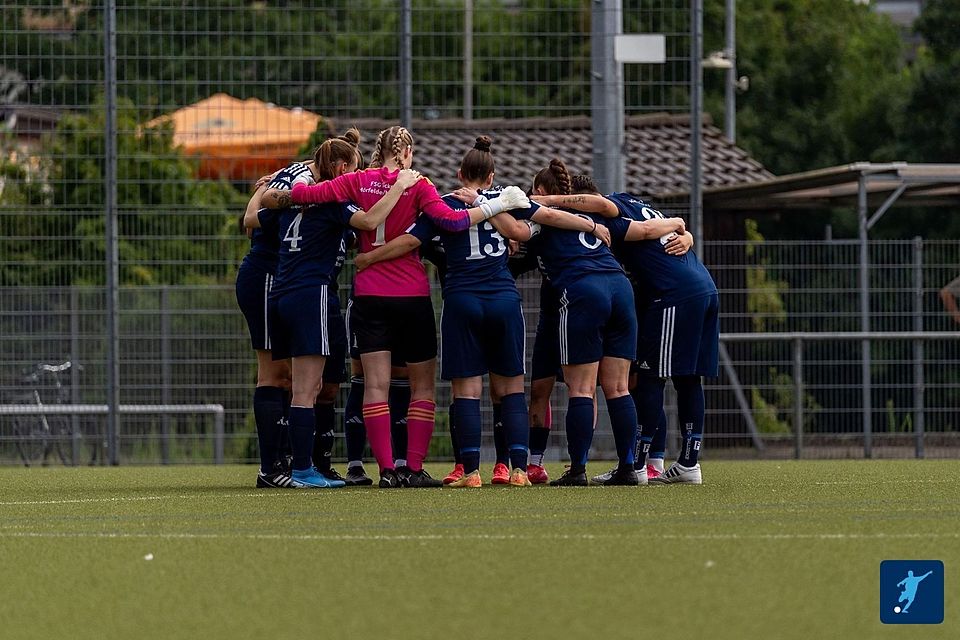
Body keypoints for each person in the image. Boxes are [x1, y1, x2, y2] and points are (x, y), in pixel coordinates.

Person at [263, 125, 529, 488]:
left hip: (369, 295)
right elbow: (451, 221)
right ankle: (413, 468)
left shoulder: (356, 180)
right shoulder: (419, 184)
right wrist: (497, 205)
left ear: (380, 149)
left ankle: (386, 470)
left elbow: (307, 194)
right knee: (421, 387)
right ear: (406, 154)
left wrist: (277, 189)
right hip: (411, 295)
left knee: (375, 385)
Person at [358, 138, 608, 487]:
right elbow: (549, 216)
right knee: (511, 389)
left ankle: (471, 472)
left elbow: (411, 241)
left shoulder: (443, 204)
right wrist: (592, 226)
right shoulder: (509, 199)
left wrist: (371, 257)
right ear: (492, 177)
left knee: (468, 391)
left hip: (462, 300)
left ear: (459, 174)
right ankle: (519, 469)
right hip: (503, 299)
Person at [482, 158, 679, 486]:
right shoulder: (592, 212)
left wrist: (487, 205)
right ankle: (629, 467)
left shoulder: (540, 214)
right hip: (620, 289)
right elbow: (641, 229)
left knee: (581, 388)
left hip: (584, 290)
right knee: (618, 388)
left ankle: (578, 469)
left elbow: (516, 228)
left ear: (541, 191)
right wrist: (679, 225)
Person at [250, 128, 420, 488]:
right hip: (312, 293)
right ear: (341, 169)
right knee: (306, 389)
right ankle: (301, 470)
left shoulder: (292, 201)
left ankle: (297, 466)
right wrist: (400, 186)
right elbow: (371, 221)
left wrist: (270, 190)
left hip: (280, 294)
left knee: (300, 385)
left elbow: (255, 216)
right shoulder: (334, 203)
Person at [535, 179, 715, 485]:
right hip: (695, 287)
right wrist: (683, 229)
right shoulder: (637, 207)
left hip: (672, 293)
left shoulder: (607, 210)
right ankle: (675, 462)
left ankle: (638, 465)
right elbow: (651, 230)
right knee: (681, 379)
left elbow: (607, 209)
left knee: (646, 379)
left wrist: (550, 201)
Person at [236, 166, 299, 489]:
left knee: (288, 375)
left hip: (285, 284)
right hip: (264, 280)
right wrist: (263, 192)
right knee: (273, 372)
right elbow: (249, 223)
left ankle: (285, 459)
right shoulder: (286, 202)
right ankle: (270, 467)